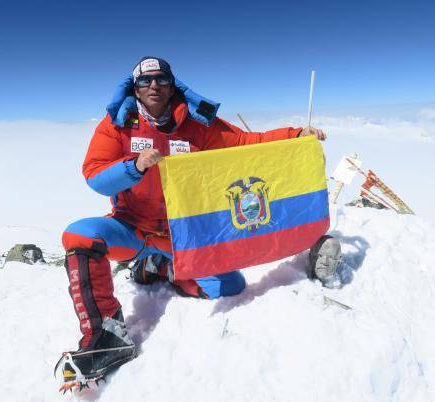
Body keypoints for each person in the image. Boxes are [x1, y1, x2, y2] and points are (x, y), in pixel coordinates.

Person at [57, 56, 342, 387]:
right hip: (131, 228)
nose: (153, 86)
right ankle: (105, 337)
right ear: (134, 88)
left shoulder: (197, 124)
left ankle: (162, 268)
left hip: (184, 234)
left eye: (161, 79)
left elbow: (246, 143)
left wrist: (296, 135)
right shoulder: (117, 124)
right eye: (145, 81)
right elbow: (95, 176)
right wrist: (134, 166)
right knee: (80, 235)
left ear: (172, 85)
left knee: (231, 286)